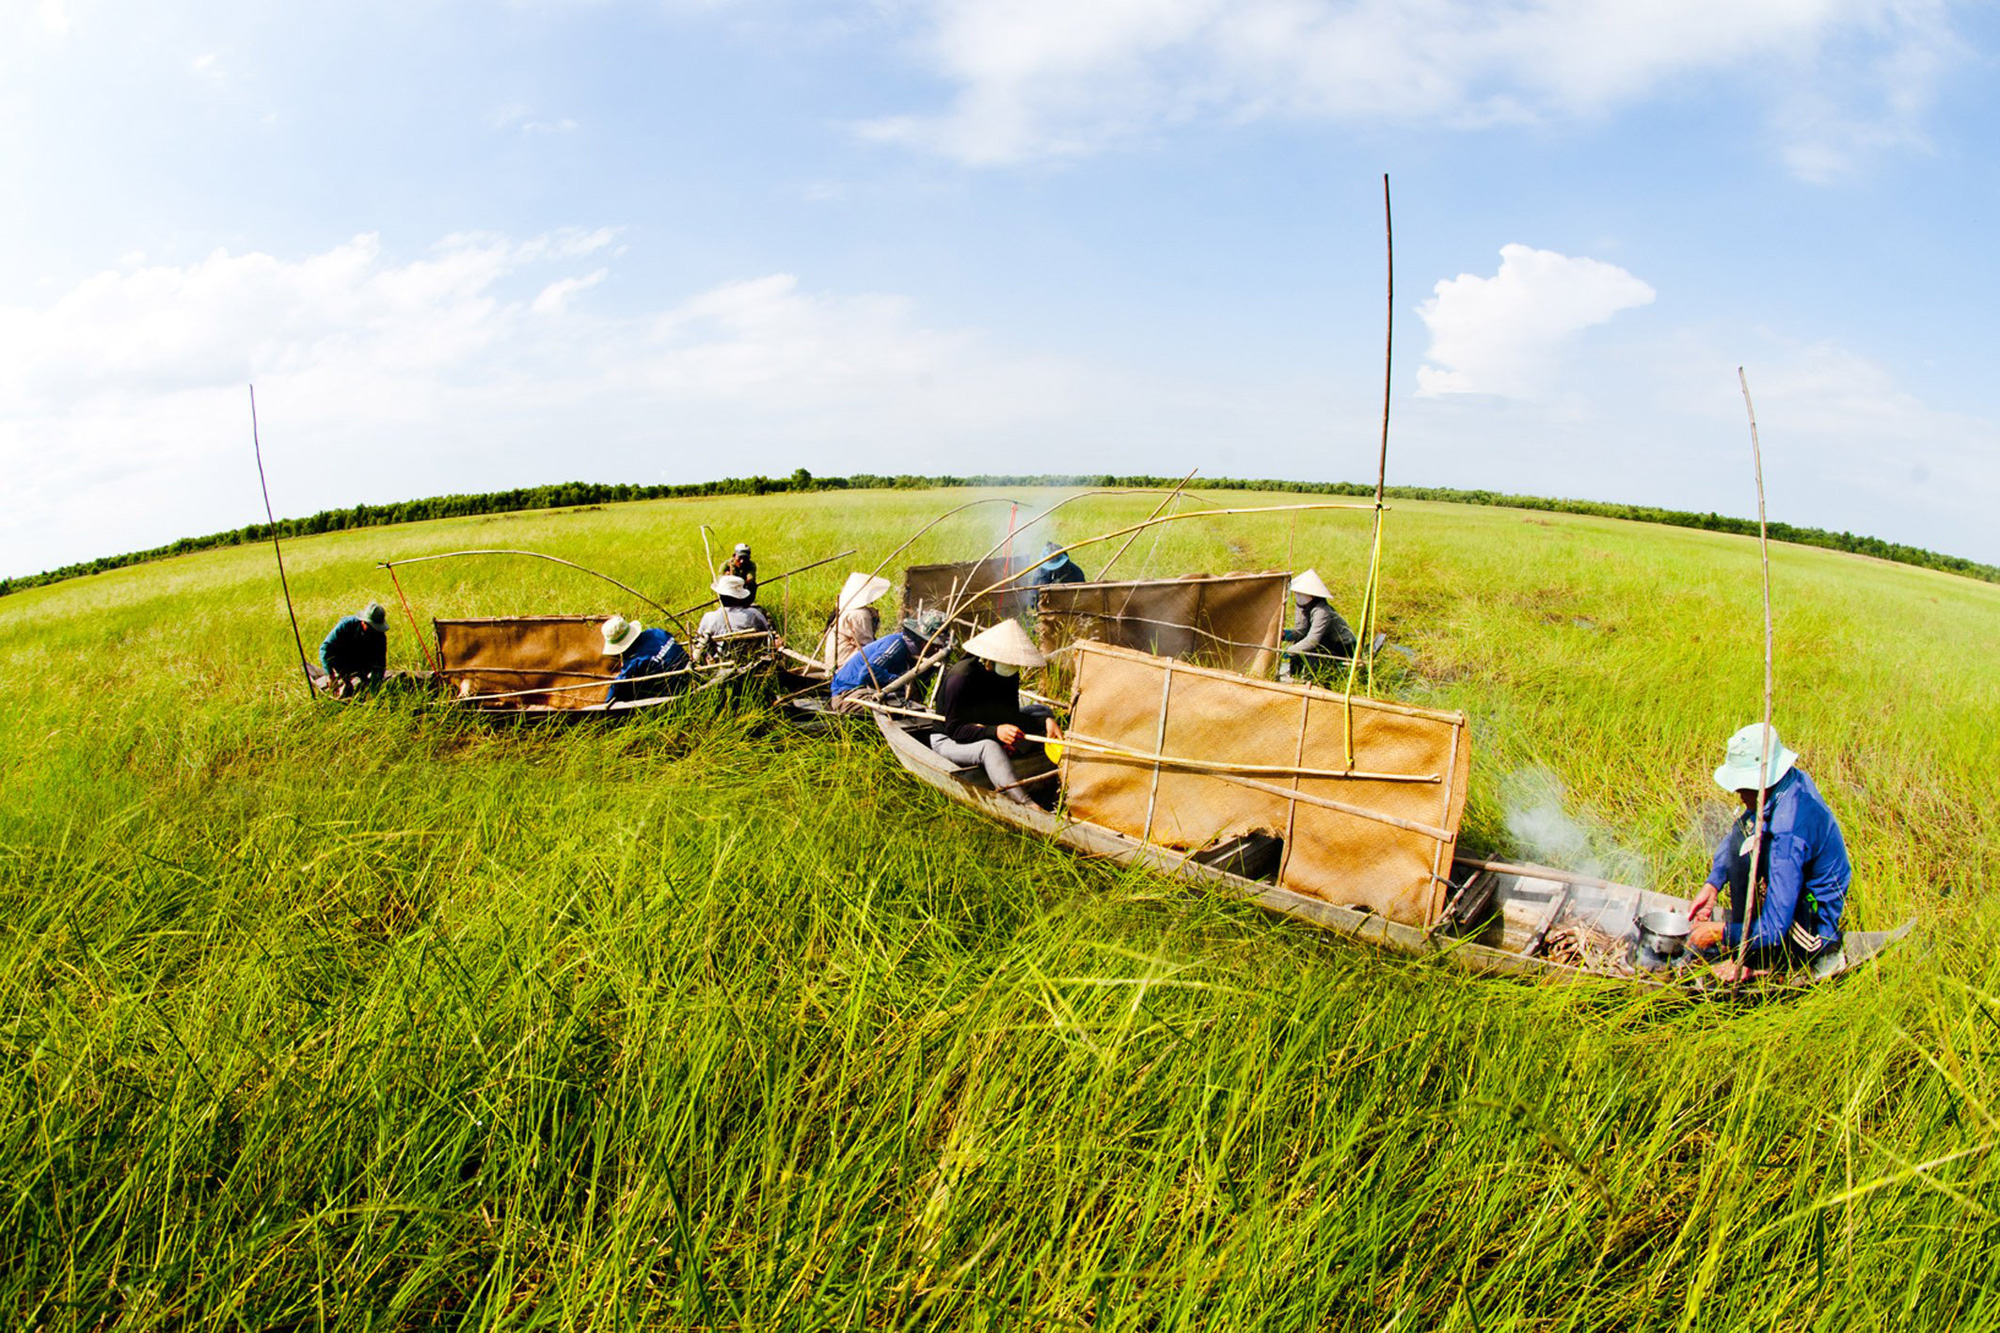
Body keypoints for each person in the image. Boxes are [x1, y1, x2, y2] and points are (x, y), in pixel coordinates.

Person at [1688, 724, 1851, 982]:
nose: (1738, 794)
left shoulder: (1790, 833)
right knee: (1742, 836)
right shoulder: (1784, 784)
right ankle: (1748, 949)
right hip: (1792, 876)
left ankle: (1760, 961)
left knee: (1784, 935)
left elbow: (1775, 928)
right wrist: (1713, 883)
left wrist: (1721, 932)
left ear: (1762, 781)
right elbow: (1744, 829)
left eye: (1743, 786)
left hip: (1813, 913)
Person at [931, 620, 1062, 806]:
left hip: (987, 725)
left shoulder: (1008, 675)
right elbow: (954, 729)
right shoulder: (960, 678)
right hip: (950, 738)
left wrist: (1045, 722)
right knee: (989, 747)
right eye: (1008, 662)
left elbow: (1010, 715)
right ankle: (1024, 802)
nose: (1013, 667)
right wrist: (995, 732)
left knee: (1042, 711)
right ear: (989, 659)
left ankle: (1023, 756)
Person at [829, 611, 946, 704]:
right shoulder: (897, 644)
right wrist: (898, 679)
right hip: (847, 693)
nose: (937, 649)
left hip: (869, 690)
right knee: (896, 709)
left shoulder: (918, 655)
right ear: (923, 642)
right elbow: (867, 673)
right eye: (935, 645)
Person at [1280, 569, 1357, 682]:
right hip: (1324, 640)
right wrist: (1286, 634)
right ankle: (1294, 678)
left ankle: (1312, 682)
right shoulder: (1303, 606)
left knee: (1312, 656)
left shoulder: (1322, 611)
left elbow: (1312, 640)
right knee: (1298, 646)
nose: (1297, 596)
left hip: (1341, 645)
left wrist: (1289, 651)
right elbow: (1301, 631)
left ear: (1311, 595)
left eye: (1300, 594)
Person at [600, 614, 690, 705]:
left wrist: (607, 702)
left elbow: (617, 685)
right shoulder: (656, 632)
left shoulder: (635, 662)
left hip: (675, 689)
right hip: (686, 666)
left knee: (629, 689)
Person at [818, 571, 891, 670]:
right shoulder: (860, 614)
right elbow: (867, 644)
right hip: (844, 665)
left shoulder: (846, 609)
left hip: (836, 661)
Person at [696, 573, 774, 662]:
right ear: (739, 598)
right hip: (749, 659)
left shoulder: (709, 617)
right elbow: (768, 633)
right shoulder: (753, 615)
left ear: (719, 596)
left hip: (719, 661)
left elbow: (698, 641)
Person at [318, 602, 389, 697]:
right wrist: (330, 675)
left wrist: (373, 692)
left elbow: (379, 667)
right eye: (371, 627)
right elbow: (325, 648)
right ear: (363, 622)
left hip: (362, 666)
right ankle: (342, 680)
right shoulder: (346, 625)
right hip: (341, 662)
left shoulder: (380, 637)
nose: (374, 631)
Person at [1026, 541, 1087, 609]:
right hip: (1047, 610)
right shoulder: (1041, 573)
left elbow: (1083, 595)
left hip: (1071, 608)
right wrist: (1033, 600)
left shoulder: (1075, 572)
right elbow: (1033, 593)